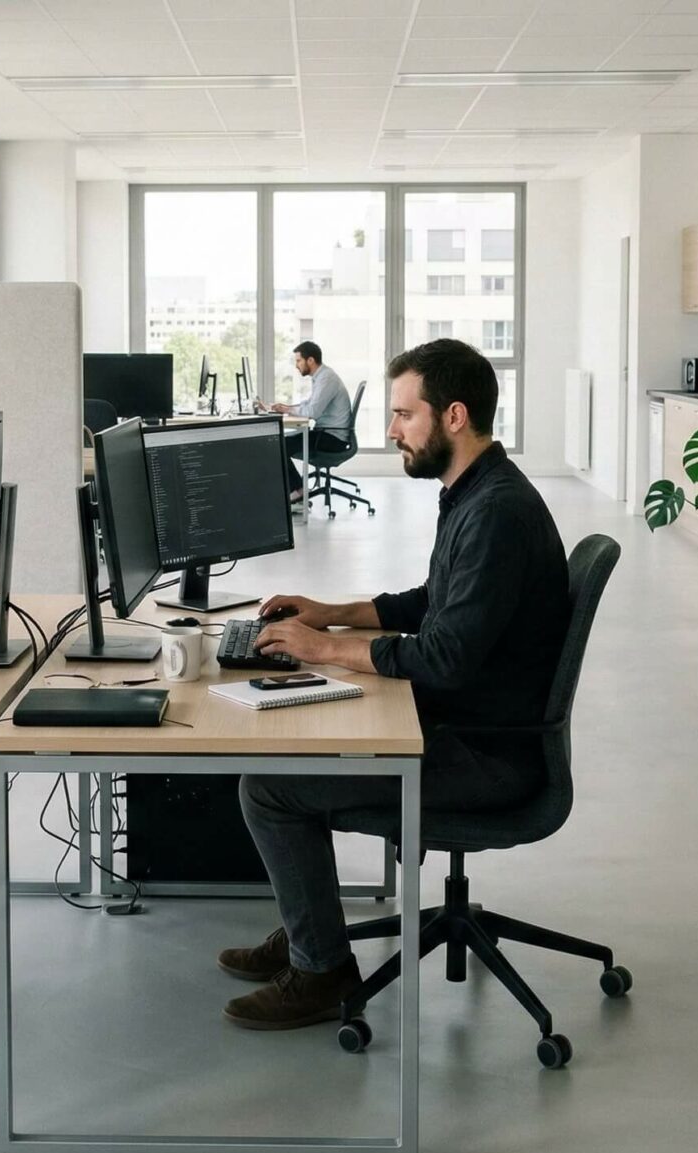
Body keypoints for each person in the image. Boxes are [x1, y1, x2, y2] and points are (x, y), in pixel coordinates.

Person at [217, 338, 571, 1031]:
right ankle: (308, 934)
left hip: (486, 754)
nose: (390, 430)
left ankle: (319, 969)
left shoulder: (495, 512)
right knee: (292, 751)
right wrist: (334, 614)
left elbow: (441, 658)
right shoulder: (474, 489)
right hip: (464, 723)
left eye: (405, 414)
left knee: (269, 787)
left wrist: (323, 648)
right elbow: (432, 602)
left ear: (455, 416)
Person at [269, 341, 352, 500]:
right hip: (326, 433)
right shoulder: (321, 376)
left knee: (279, 445)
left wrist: (287, 410)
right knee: (281, 443)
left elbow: (313, 412)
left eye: (299, 361)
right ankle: (298, 489)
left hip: (332, 438)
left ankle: (297, 491)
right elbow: (309, 404)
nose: (296, 365)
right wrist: (286, 407)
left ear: (311, 360)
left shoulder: (326, 378)